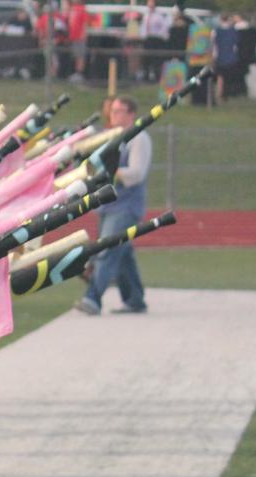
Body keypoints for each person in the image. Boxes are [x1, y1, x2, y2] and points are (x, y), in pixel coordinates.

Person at [75, 95, 151, 316]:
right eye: (112, 111)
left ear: (131, 114)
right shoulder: (111, 137)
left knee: (107, 251)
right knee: (122, 253)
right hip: (109, 206)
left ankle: (92, 299)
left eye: (119, 111)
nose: (113, 115)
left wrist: (110, 171)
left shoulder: (139, 138)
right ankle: (135, 298)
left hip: (126, 207)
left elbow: (136, 174)